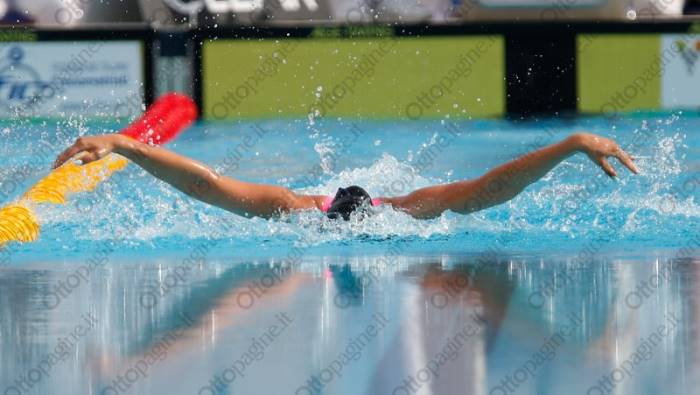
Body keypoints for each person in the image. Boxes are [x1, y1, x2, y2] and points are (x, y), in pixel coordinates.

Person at [53, 132, 638, 221]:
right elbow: (488, 189)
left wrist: (128, 145)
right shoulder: (297, 208)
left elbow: (207, 187)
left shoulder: (403, 209)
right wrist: (126, 145)